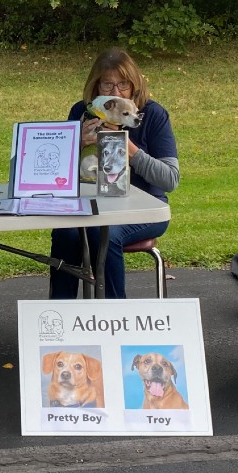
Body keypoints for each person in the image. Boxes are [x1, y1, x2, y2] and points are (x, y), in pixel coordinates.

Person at [50, 48, 179, 299]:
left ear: (135, 87)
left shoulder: (152, 115)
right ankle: (60, 316)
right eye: (108, 85)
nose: (116, 93)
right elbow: (56, 174)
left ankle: (113, 317)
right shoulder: (82, 112)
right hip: (91, 204)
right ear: (96, 87)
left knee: (103, 233)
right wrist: (77, 143)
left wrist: (130, 149)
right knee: (65, 233)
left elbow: (170, 179)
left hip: (144, 208)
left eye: (123, 85)